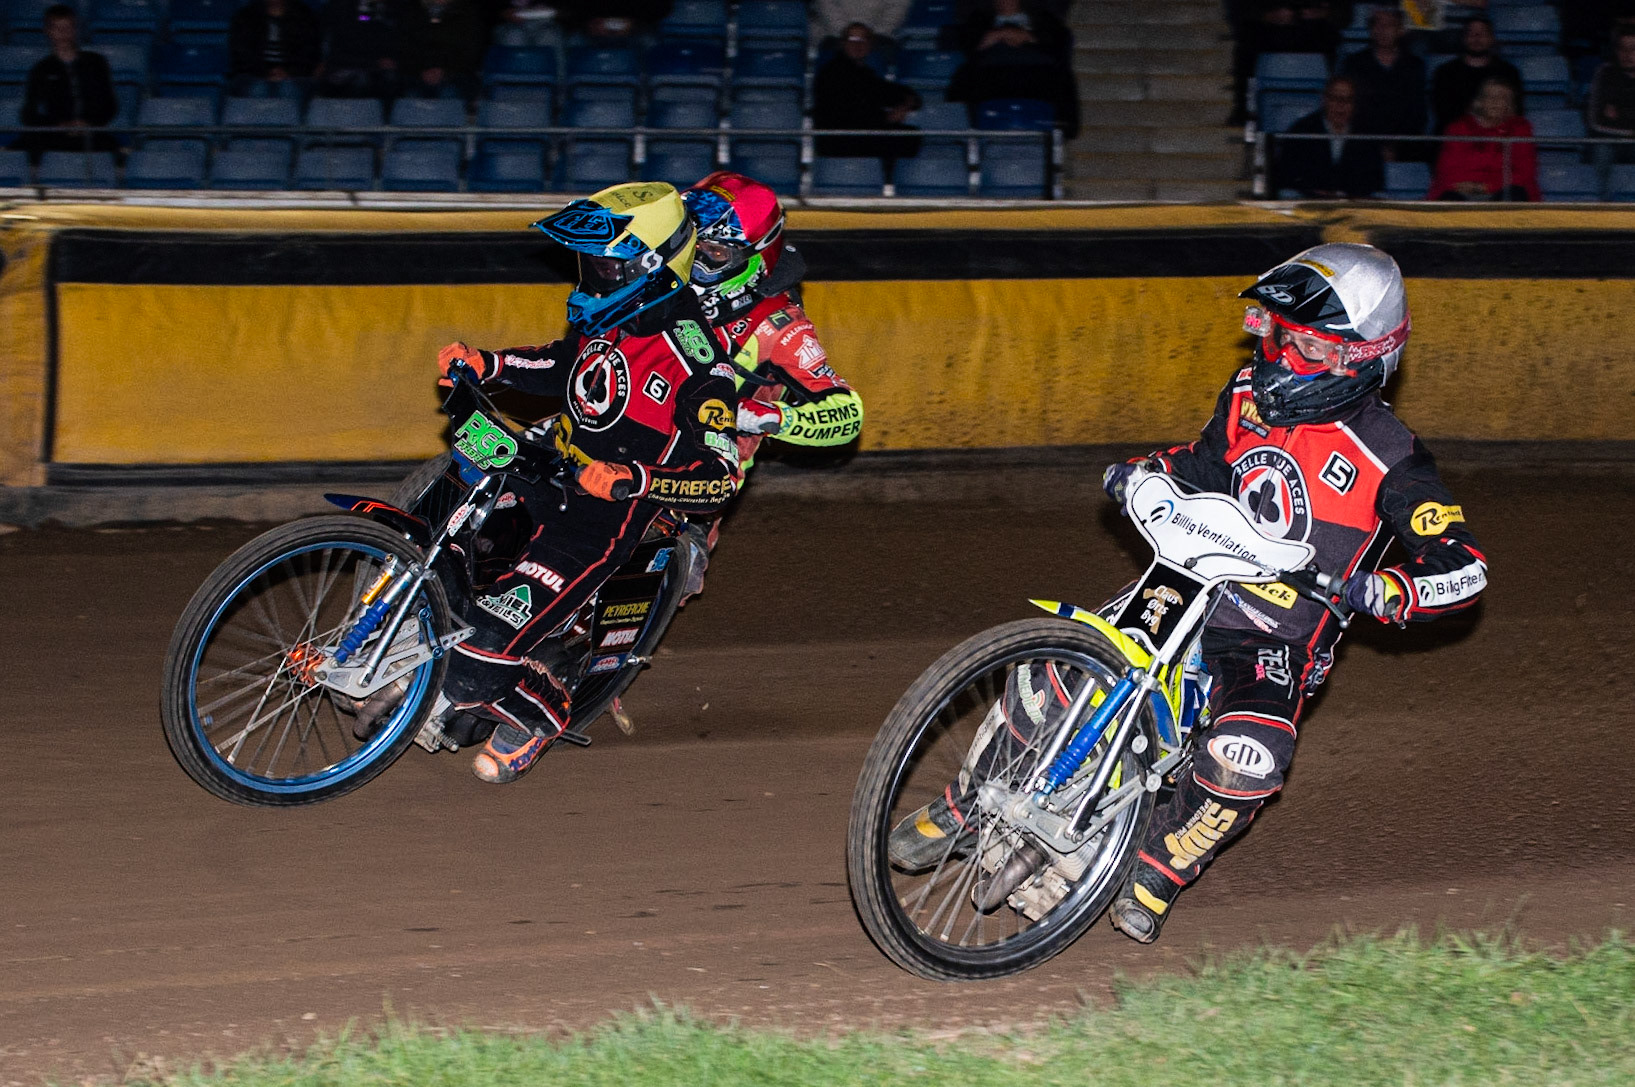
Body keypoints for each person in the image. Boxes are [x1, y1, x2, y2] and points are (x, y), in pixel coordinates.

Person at [888, 244, 1488, 946]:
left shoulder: (1392, 457)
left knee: (1250, 753)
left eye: (1303, 346)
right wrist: (1146, 471)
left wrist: (1385, 590)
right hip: (1188, 580)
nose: (1278, 355)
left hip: (1275, 634)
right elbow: (1202, 462)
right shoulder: (1244, 392)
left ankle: (1158, 867)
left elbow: (1464, 565)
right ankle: (968, 805)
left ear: (1356, 358)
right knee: (1053, 667)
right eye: (1278, 334)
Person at [434, 182, 741, 784]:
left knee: (470, 661)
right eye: (589, 262)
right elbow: (559, 364)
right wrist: (487, 363)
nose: (593, 276)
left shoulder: (702, 364)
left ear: (652, 267)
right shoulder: (612, 318)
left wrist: (632, 479)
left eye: (607, 263)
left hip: (602, 519)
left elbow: (719, 478)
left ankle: (540, 713)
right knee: (437, 532)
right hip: (548, 467)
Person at [681, 171, 864, 475]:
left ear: (757, 257)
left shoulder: (779, 325)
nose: (696, 264)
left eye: (715, 253)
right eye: (691, 246)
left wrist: (765, 416)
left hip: (699, 483)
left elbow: (847, 414)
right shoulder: (658, 283)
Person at [944, 0, 1079, 138]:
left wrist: (1027, 36)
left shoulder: (1042, 18)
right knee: (964, 77)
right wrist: (1000, 34)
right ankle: (966, 133)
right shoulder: (978, 19)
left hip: (1035, 73)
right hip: (991, 75)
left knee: (1061, 77)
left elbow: (1057, 42)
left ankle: (1062, 129)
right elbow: (971, 45)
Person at [15, 5, 117, 159]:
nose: (63, 34)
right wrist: (59, 126)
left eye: (68, 27)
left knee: (116, 156)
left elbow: (110, 104)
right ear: (48, 31)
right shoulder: (41, 70)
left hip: (92, 133)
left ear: (75, 29)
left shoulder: (96, 63)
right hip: (55, 135)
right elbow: (29, 113)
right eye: (57, 28)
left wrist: (87, 123)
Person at [813, 22, 923, 160]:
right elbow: (847, 115)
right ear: (843, 43)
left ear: (870, 45)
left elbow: (892, 93)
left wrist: (907, 104)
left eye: (863, 40)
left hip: (861, 136)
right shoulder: (831, 73)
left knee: (909, 135)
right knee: (905, 138)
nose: (858, 45)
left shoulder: (865, 74)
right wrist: (887, 118)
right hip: (840, 139)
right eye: (852, 40)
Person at [1338, 6, 1428, 160]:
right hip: (1364, 141)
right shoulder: (1355, 63)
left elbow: (1417, 114)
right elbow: (1352, 110)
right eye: (1377, 25)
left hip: (1403, 144)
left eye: (1389, 25)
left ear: (1401, 30)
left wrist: (1394, 146)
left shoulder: (1414, 65)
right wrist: (1375, 146)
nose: (1382, 30)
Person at [1429, 75, 1538, 201]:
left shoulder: (1520, 129)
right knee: (1449, 199)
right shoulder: (1458, 128)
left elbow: (1524, 173)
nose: (1495, 102)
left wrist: (1486, 187)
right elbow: (1447, 169)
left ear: (1510, 103)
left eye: (1502, 97)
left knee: (1515, 194)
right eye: (1490, 96)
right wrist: (1471, 187)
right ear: (1479, 101)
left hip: (1502, 192)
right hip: (1461, 191)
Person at [1276, 75, 1385, 197]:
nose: (1341, 105)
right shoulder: (1302, 130)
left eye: (1348, 100)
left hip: (1354, 204)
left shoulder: (1365, 134)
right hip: (1309, 201)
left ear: (1355, 104)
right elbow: (1288, 175)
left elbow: (1374, 180)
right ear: (1324, 100)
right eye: (1335, 98)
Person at [1431, 16, 1521, 134]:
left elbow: (1515, 111)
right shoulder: (1445, 72)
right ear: (1463, 38)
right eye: (1471, 33)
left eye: (1482, 33)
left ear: (1492, 38)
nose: (1476, 38)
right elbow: (1443, 112)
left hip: (1497, 137)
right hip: (1457, 138)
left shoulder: (1508, 72)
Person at [228, 0, 323, 100]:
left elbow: (308, 54)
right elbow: (241, 55)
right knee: (258, 90)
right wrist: (266, 73)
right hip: (252, 75)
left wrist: (288, 72)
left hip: (295, 76)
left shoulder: (305, 17)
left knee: (288, 90)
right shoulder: (245, 17)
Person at [318, 0, 407, 100]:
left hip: (383, 73)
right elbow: (337, 51)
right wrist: (374, 63)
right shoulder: (342, 8)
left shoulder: (396, 9)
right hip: (346, 70)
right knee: (362, 81)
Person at [399, 0, 485, 101]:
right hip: (417, 75)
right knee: (410, 95)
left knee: (450, 93)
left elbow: (470, 52)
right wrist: (421, 71)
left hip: (456, 75)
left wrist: (445, 72)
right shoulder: (412, 13)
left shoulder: (467, 15)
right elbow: (405, 48)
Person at [1587, 22, 1635, 160]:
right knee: (1601, 151)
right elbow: (1595, 121)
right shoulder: (1604, 74)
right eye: (1623, 49)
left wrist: (1620, 113)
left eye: (1633, 49)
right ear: (1616, 51)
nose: (1628, 54)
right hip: (1610, 142)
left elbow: (1610, 117)